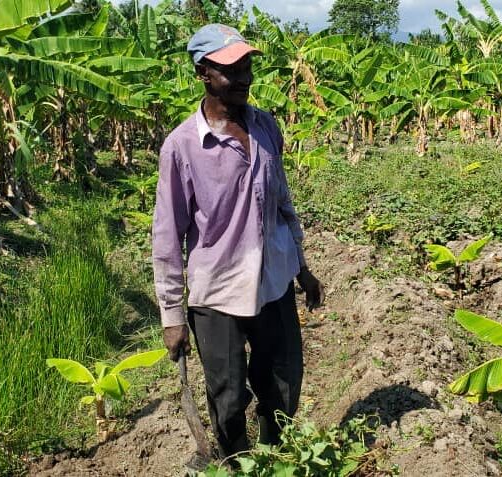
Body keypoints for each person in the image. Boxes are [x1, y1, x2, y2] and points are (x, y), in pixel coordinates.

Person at [151, 23, 323, 459]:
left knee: (283, 385)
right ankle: (236, 463)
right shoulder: (182, 147)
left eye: (247, 65)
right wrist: (172, 315)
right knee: (227, 399)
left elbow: (283, 202)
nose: (244, 77)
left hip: (274, 283)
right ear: (203, 74)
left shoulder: (266, 127)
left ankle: (274, 459)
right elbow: (168, 236)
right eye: (231, 69)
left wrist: (302, 267)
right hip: (218, 293)